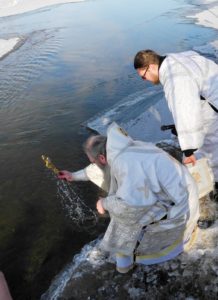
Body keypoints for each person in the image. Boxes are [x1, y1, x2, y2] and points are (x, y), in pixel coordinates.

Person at [58, 122, 199, 273]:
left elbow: (131, 205)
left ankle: (124, 265)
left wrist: (104, 203)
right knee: (121, 207)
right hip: (187, 196)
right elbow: (100, 170)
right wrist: (72, 176)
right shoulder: (125, 149)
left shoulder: (123, 162)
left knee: (122, 219)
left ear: (102, 158)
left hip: (180, 211)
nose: (94, 166)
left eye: (93, 162)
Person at [134, 49, 218, 226]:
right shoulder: (176, 59)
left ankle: (209, 208)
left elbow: (186, 109)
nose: (145, 81)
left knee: (207, 158)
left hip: (213, 112)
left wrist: (189, 149)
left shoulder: (175, 77)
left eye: (143, 76)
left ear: (150, 67)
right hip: (212, 103)